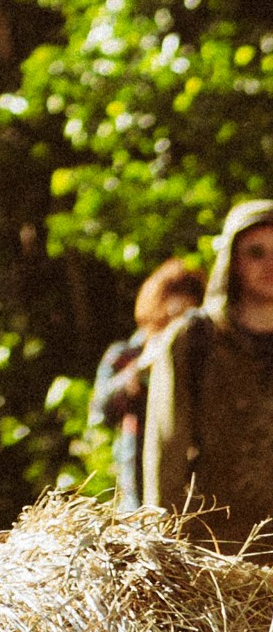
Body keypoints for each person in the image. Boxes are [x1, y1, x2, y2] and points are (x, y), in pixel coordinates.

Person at [145, 200, 273, 553]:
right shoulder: (194, 341)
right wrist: (164, 546)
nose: (270, 265)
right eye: (256, 253)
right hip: (219, 554)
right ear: (233, 260)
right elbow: (166, 451)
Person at [90, 259, 202, 512]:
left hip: (194, 484)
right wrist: (136, 373)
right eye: (171, 316)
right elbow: (98, 412)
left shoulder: (204, 356)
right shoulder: (125, 354)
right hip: (137, 484)